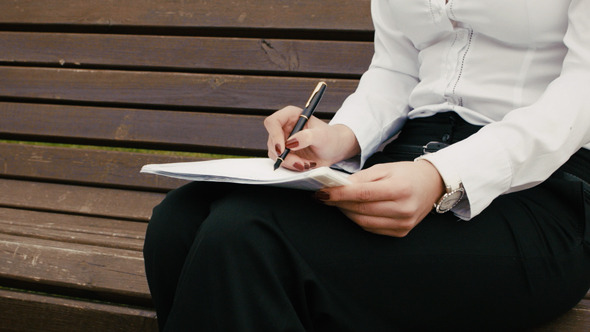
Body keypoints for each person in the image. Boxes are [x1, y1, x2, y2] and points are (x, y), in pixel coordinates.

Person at [143, 0, 590, 330]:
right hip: (408, 160)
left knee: (247, 238)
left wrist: (443, 174)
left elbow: (581, 91)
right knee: (178, 221)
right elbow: (396, 67)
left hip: (543, 189)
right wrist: (339, 137)